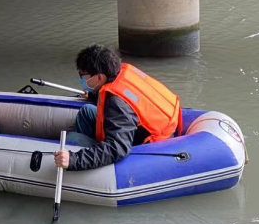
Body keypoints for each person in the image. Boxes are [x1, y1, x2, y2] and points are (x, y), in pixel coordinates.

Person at [53, 45, 182, 171]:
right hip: (141, 127)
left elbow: (117, 148)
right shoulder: (121, 73)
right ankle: (91, 145)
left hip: (144, 144)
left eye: (83, 76)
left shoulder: (116, 104)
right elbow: (124, 94)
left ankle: (83, 159)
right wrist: (94, 93)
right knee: (86, 111)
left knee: (73, 138)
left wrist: (74, 160)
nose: (81, 79)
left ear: (99, 77)